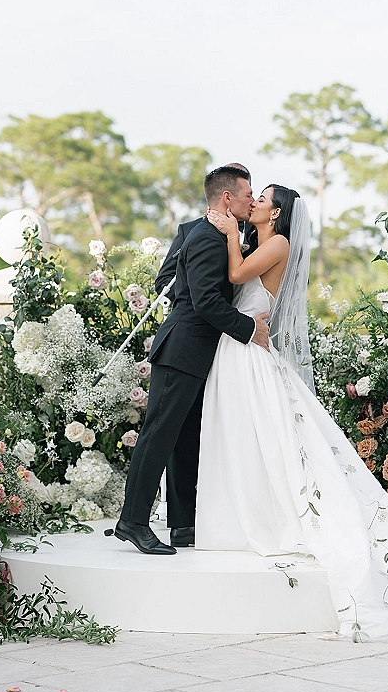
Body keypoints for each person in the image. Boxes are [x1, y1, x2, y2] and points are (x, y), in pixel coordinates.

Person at [196, 184, 388, 639]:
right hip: (240, 350)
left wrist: (225, 232)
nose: (254, 203)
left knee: (262, 437)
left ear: (276, 212)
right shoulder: (262, 240)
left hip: (249, 356)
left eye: (261, 199)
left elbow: (238, 276)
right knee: (247, 437)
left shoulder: (276, 242)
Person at [113, 166, 270, 555]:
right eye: (248, 192)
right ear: (227, 198)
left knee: (186, 439)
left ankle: (184, 525)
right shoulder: (204, 238)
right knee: (159, 435)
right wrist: (249, 328)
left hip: (201, 352)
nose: (253, 198)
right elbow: (206, 301)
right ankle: (132, 521)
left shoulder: (219, 235)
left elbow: (180, 283)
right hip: (183, 347)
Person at [155, 162, 258, 301]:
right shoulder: (190, 230)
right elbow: (164, 281)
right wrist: (201, 295)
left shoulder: (257, 230)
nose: (253, 201)